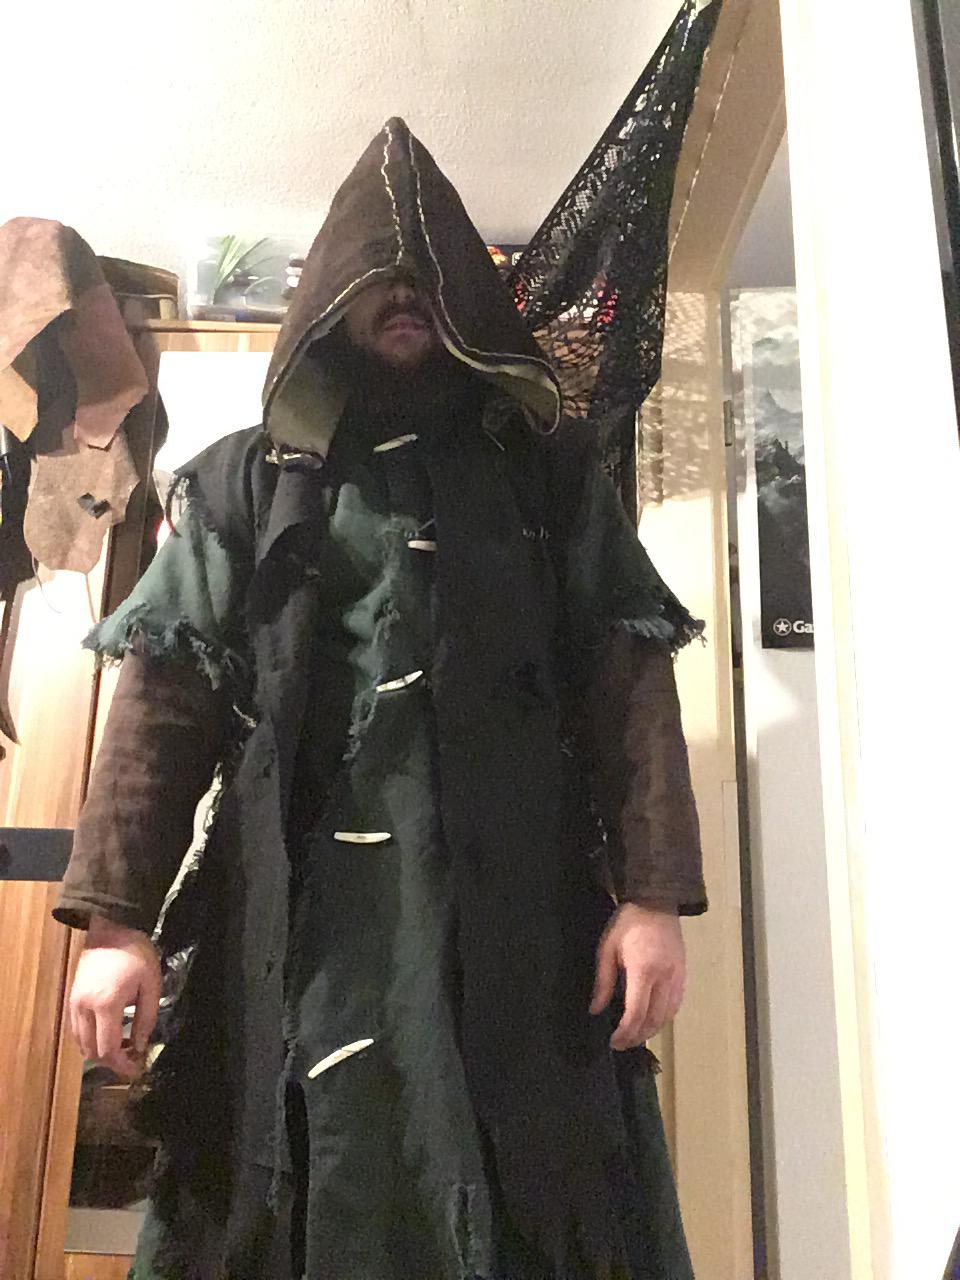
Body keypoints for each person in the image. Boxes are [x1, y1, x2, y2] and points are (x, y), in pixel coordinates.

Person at [56, 118, 707, 1280]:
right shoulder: (243, 482)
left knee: (531, 1178)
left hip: (521, 918)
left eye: (427, 278)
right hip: (291, 924)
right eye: (378, 279)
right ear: (330, 299)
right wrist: (117, 924)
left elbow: (628, 684)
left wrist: (652, 898)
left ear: (467, 298)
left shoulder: (553, 478)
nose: (404, 297)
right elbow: (164, 705)